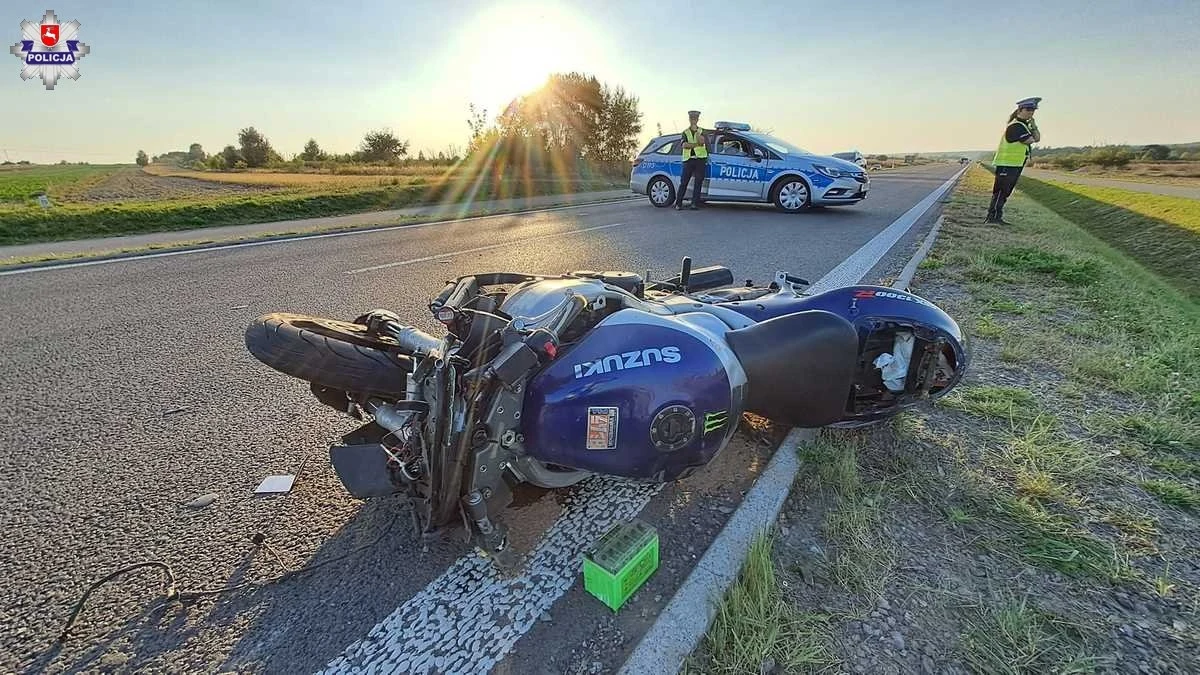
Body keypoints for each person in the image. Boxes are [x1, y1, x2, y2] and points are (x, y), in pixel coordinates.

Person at [986, 97, 1042, 224]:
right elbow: (1030, 140)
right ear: (1020, 110)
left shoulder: (1024, 125)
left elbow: (1037, 138)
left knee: (1005, 192)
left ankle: (996, 216)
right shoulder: (1016, 126)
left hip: (1014, 164)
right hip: (1007, 163)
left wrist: (1033, 126)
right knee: (1001, 192)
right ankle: (993, 217)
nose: (1031, 112)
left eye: (1033, 110)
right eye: (1028, 109)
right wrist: (1032, 132)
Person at [676, 110, 708, 210]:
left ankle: (694, 204)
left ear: (698, 119)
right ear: (689, 119)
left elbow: (702, 142)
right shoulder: (685, 132)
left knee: (698, 182)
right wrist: (695, 145)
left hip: (700, 159)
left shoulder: (702, 131)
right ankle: (678, 203)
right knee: (684, 182)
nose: (693, 120)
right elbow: (684, 145)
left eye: (695, 118)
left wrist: (697, 132)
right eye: (692, 118)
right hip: (688, 160)